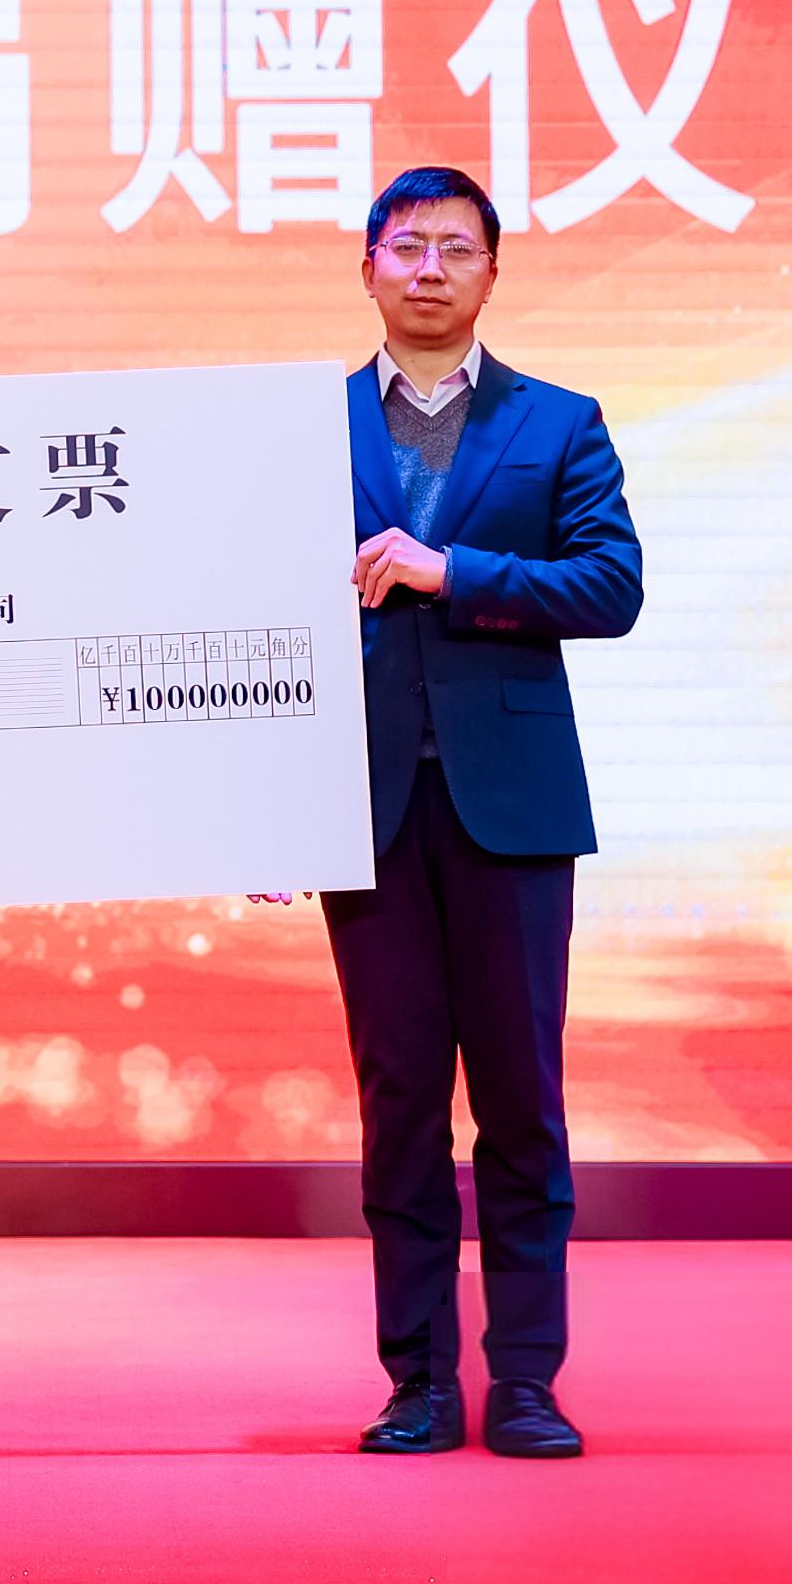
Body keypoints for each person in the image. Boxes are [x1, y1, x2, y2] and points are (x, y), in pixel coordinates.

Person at [327, 164, 643, 1460]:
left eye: (455, 248)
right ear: (367, 267)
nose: (429, 269)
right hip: (363, 809)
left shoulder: (559, 423)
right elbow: (239, 614)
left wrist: (451, 571)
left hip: (510, 809)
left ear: (491, 273)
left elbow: (611, 586)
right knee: (399, 1101)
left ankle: (523, 1381)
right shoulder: (297, 427)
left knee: (520, 1102)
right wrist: (262, 802)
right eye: (406, 246)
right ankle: (416, 1381)